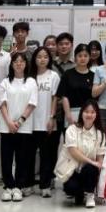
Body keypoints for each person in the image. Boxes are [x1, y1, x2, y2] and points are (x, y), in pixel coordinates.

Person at [0, 51, 37, 202]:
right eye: (16, 61)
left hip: (24, 127)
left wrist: (20, 121)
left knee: (22, 158)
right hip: (6, 126)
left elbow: (32, 103)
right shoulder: (5, 82)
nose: (19, 64)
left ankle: (18, 187)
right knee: (6, 158)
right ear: (11, 64)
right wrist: (9, 122)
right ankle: (8, 186)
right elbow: (2, 103)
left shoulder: (31, 82)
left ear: (26, 64)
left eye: (22, 61)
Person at [57, 99, 106, 208]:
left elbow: (100, 158)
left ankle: (90, 194)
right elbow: (73, 151)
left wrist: (97, 169)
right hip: (72, 170)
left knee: (91, 168)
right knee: (70, 188)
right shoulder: (72, 130)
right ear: (81, 113)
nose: (89, 115)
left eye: (92, 112)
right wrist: (92, 162)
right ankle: (79, 194)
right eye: (86, 111)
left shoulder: (100, 134)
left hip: (88, 171)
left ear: (96, 114)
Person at [32, 46, 61, 197]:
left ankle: (45, 185)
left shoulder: (53, 76)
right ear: (34, 59)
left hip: (46, 121)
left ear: (49, 59)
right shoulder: (29, 76)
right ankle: (27, 184)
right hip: (30, 122)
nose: (42, 59)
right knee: (29, 155)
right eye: (39, 57)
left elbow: (55, 98)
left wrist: (52, 117)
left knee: (46, 155)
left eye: (45, 57)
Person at [57, 44, 96, 124]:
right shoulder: (68, 74)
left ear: (89, 57)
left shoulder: (93, 76)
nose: (83, 58)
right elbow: (64, 96)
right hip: (71, 113)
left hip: (88, 114)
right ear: (75, 57)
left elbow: (95, 98)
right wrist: (68, 115)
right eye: (80, 56)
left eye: (85, 56)